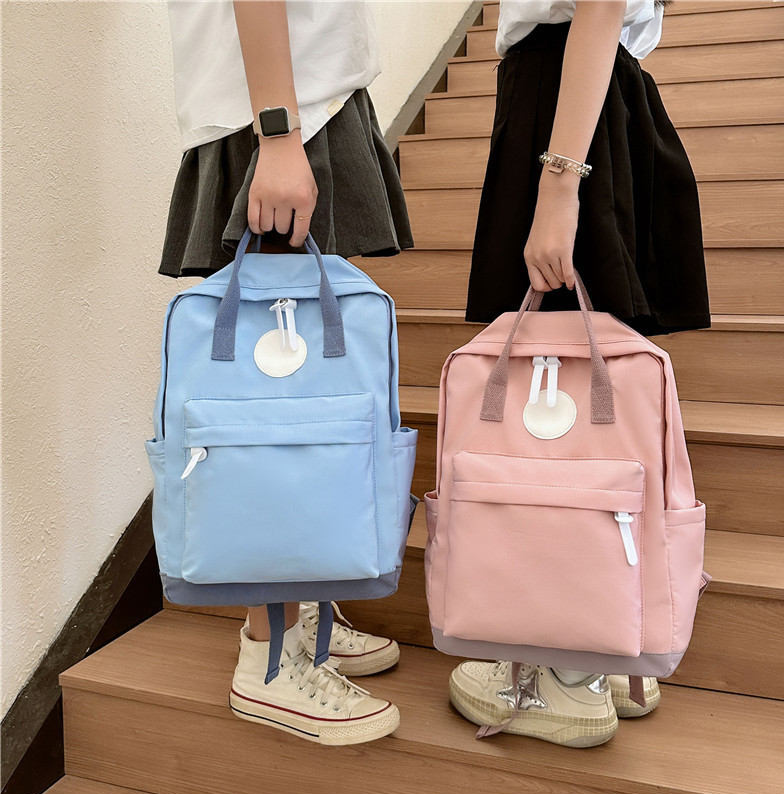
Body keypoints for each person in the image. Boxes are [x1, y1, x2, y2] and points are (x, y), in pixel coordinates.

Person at [450, 0, 710, 747]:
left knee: (556, 398)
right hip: (599, 99)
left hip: (565, 109)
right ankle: (604, 642)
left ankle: (565, 673)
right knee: (594, 400)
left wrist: (559, 180)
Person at [160, 0, 414, 746]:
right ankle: (267, 659)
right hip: (282, 110)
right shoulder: (278, 123)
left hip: (303, 101)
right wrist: (276, 130)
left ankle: (303, 611)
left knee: (308, 407)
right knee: (275, 418)